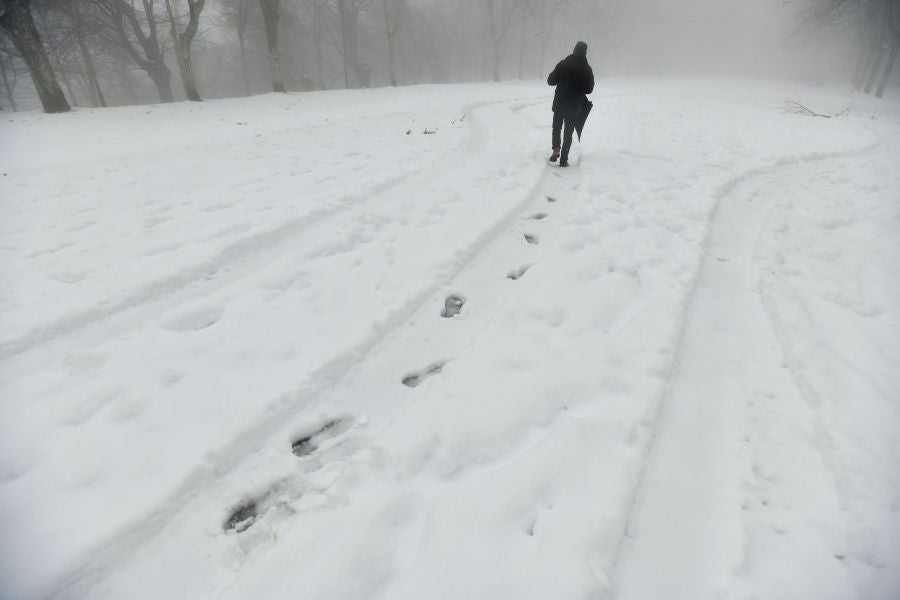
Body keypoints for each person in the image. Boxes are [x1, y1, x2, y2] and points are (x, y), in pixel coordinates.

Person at [547, 41, 594, 167]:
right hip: (574, 106)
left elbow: (550, 80)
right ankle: (564, 159)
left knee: (556, 127)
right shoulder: (587, 69)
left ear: (574, 50)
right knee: (568, 132)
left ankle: (556, 148)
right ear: (585, 52)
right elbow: (589, 89)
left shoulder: (564, 64)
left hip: (560, 102)